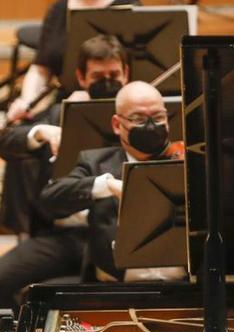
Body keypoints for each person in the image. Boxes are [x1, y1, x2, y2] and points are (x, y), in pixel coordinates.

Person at [0, 34, 130, 320]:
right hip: (63, 237)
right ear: (81, 77)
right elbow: (5, 142)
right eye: (98, 75)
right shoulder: (59, 114)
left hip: (118, 234)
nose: (107, 81)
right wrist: (41, 133)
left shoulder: (133, 116)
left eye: (114, 74)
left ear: (126, 74)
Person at [38, 81, 183, 282]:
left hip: (185, 286)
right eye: (138, 119)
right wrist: (105, 185)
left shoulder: (187, 160)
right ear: (117, 125)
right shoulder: (95, 162)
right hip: (115, 289)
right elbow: (50, 200)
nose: (150, 126)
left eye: (158, 117)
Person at [7, 0, 139, 124]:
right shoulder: (59, 9)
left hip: (121, 105)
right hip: (65, 103)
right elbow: (41, 68)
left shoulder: (130, 6)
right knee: (19, 136)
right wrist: (27, 102)